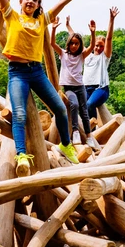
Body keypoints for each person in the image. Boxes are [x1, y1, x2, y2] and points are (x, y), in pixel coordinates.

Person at [0, 0, 89, 176]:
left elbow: (62, 2)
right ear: (20, 1)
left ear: (39, 5)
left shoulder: (41, 21)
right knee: (19, 114)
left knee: (60, 107)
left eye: (34, 0)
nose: (30, 2)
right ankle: (21, 155)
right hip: (17, 72)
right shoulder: (12, 15)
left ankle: (66, 145)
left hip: (37, 72)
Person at [51, 16, 100, 151]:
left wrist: (93, 33)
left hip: (80, 86)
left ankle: (89, 136)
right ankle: (76, 132)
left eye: (76, 44)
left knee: (84, 111)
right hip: (68, 87)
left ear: (79, 45)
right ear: (68, 44)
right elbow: (52, 43)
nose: (74, 46)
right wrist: (54, 29)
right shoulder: (63, 54)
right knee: (74, 104)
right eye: (72, 43)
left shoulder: (81, 56)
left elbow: (91, 47)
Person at [84, 6, 118, 126]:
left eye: (101, 46)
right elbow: (74, 38)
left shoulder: (104, 57)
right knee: (79, 106)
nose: (98, 48)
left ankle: (92, 130)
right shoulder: (87, 55)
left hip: (101, 89)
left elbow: (109, 38)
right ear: (93, 45)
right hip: (86, 88)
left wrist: (111, 19)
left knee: (89, 104)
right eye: (96, 45)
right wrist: (67, 26)